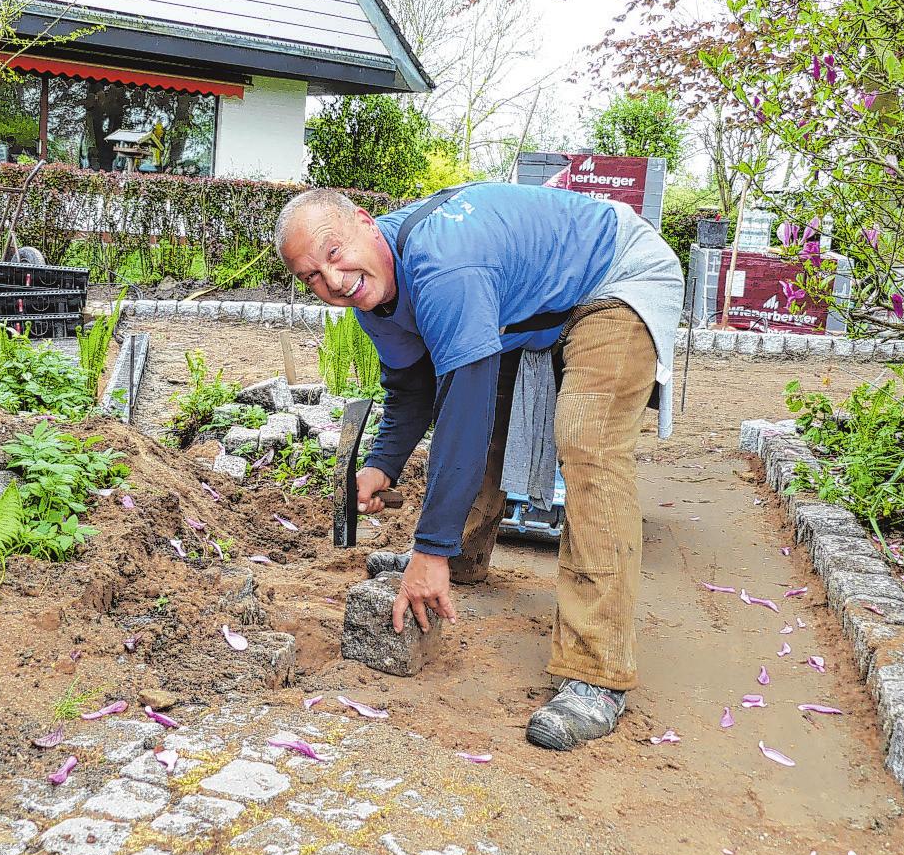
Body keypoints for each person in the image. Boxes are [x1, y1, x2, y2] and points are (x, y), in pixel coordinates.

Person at [275, 182, 683, 751]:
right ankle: (461, 559)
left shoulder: (444, 266)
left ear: (367, 223)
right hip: (530, 301)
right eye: (311, 277)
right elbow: (414, 389)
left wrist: (426, 550)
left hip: (613, 273)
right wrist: (381, 466)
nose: (333, 281)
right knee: (475, 398)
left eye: (334, 253)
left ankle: (598, 675)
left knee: (589, 443)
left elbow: (461, 415)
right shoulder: (373, 292)